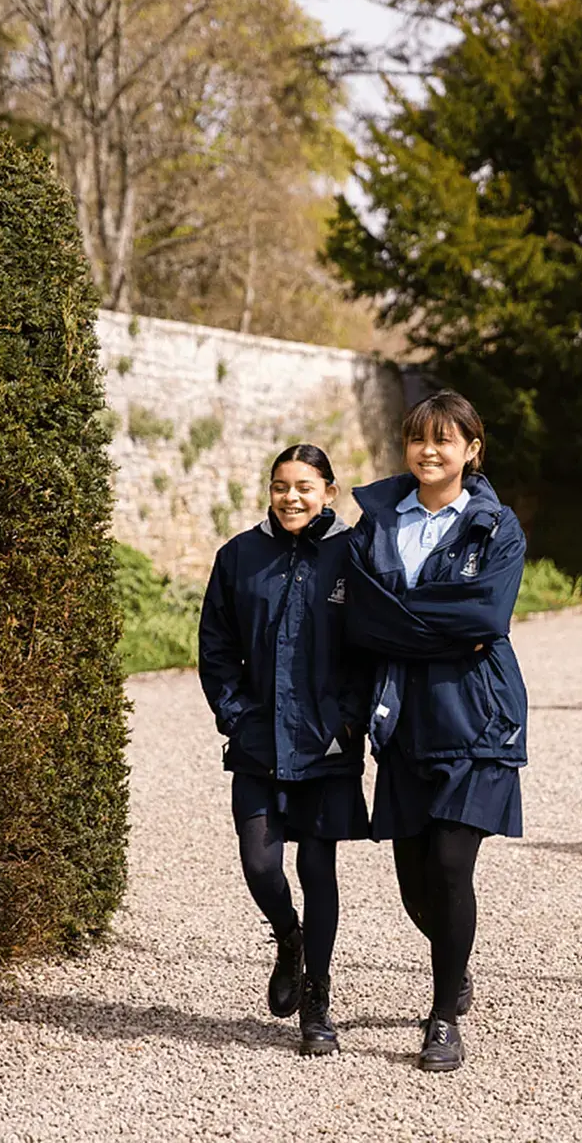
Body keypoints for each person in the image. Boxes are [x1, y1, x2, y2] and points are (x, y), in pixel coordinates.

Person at [345, 390, 527, 1074]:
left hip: (477, 719)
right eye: (419, 438)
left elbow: (485, 618)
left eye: (445, 439)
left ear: (471, 450)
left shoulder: (496, 527)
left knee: (451, 867)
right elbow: (359, 619)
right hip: (402, 720)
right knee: (414, 884)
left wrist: (398, 618)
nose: (429, 451)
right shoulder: (377, 523)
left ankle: (443, 1015)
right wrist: (430, 625)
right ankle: (457, 960)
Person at [197, 444, 370, 1057]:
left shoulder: (354, 554)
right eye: (280, 486)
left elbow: (370, 650)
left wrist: (348, 723)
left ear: (328, 491)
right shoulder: (239, 557)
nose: (291, 497)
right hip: (258, 742)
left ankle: (317, 1001)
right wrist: (236, 716)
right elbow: (216, 647)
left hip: (327, 746)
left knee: (318, 871)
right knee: (260, 864)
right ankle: (288, 939)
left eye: (304, 486)